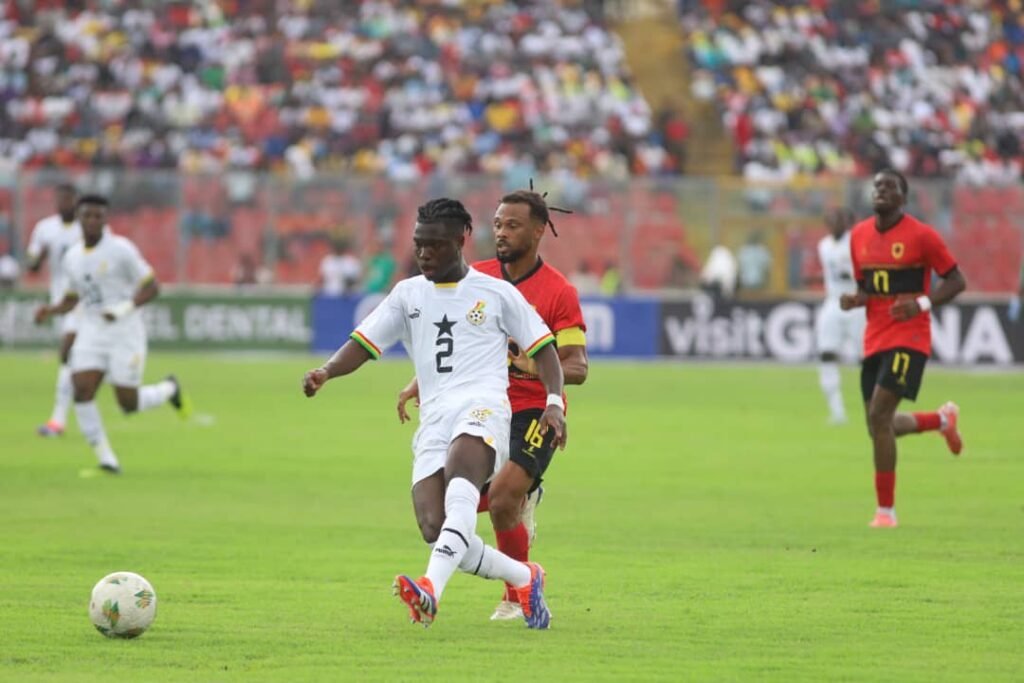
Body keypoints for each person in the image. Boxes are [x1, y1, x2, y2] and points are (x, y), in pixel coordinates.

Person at [302, 198, 566, 629]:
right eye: (419, 245)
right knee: (434, 525)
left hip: (484, 409)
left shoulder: (495, 292)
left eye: (435, 245)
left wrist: (554, 404)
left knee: (463, 484)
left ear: (460, 241)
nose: (424, 253)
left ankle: (430, 589)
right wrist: (327, 371)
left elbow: (545, 350)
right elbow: (365, 342)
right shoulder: (408, 295)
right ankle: (525, 576)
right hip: (435, 418)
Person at [398, 189, 588, 621]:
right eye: (498, 224)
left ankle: (514, 596)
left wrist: (532, 364)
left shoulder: (559, 292)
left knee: (502, 498)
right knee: (449, 510)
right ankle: (523, 562)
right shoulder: (473, 277)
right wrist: (418, 382)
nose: (501, 233)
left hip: (533, 410)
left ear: (539, 231)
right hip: (474, 403)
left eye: (513, 225)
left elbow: (577, 366)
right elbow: (445, 338)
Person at [841, 170, 967, 528]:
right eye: (877, 185)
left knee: (879, 417)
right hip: (875, 337)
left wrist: (922, 304)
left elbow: (957, 280)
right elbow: (868, 288)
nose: (880, 190)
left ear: (903, 197)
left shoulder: (922, 236)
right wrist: (855, 300)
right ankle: (941, 420)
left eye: (889, 186)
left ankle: (886, 512)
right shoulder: (859, 236)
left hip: (910, 337)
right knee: (877, 425)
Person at [34, 195, 192, 475]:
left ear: (106, 219)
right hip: (92, 331)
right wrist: (51, 310)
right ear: (79, 218)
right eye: (88, 215)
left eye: (99, 216)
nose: (93, 221)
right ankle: (107, 459)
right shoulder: (72, 257)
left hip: (125, 333)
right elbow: (73, 298)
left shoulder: (121, 250)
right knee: (81, 389)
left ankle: (169, 389)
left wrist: (123, 309)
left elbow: (152, 287)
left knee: (127, 404)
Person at [26, 183, 83, 437]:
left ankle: (57, 421)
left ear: (76, 201)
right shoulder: (45, 229)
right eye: (61, 198)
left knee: (68, 354)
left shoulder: (88, 227)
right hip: (60, 301)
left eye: (69, 198)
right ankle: (162, 391)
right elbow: (32, 266)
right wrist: (39, 257)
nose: (65, 203)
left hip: (84, 303)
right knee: (79, 360)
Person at [815, 208, 865, 425]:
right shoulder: (823, 246)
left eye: (839, 220)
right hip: (833, 303)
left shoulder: (856, 243)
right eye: (831, 220)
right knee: (826, 354)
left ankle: (875, 408)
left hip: (856, 305)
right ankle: (836, 411)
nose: (834, 224)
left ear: (847, 223)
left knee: (867, 359)